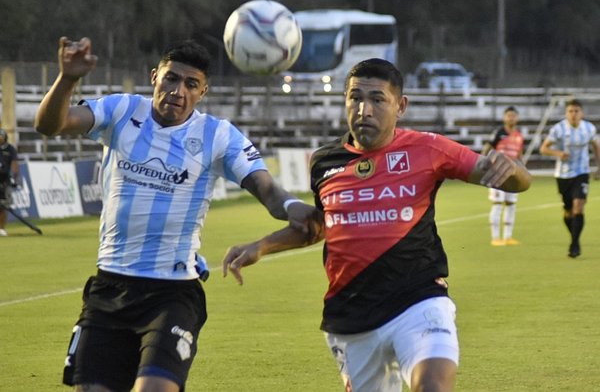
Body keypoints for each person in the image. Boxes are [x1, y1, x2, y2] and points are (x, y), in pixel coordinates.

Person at [222, 59, 531, 392]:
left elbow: (516, 181)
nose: (363, 109)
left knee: (433, 386)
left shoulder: (429, 148)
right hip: (351, 313)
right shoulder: (325, 162)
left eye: (377, 99)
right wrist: (261, 247)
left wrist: (511, 170)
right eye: (355, 98)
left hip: (418, 301)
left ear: (401, 106)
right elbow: (323, 225)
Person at [34, 37, 316, 392]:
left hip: (173, 293)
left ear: (203, 91)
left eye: (191, 84)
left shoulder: (217, 135)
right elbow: (49, 125)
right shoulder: (121, 111)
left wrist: (292, 207)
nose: (178, 91)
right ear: (155, 77)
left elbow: (267, 189)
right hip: (110, 286)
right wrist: (67, 78)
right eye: (171, 78)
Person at [540, 98, 600, 258]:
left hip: (581, 173)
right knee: (568, 211)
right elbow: (544, 148)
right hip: (563, 175)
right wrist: (558, 153)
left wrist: (599, 166)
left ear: (582, 113)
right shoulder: (558, 129)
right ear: (566, 113)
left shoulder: (589, 128)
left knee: (578, 206)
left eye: (576, 111)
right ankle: (574, 239)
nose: (573, 114)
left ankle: (574, 244)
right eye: (570, 111)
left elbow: (596, 146)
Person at [481, 106, 525, 246]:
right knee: (498, 203)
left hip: (513, 174)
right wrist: (483, 162)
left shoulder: (519, 135)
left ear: (517, 118)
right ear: (504, 118)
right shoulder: (499, 133)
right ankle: (495, 237)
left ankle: (508, 236)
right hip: (498, 172)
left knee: (511, 204)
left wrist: (522, 169)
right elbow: (487, 148)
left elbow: (519, 154)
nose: (511, 118)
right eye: (508, 115)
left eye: (513, 116)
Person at [0, 128, 20, 236]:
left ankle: (1, 228)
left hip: (5, 179)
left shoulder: (10, 149)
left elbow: (15, 165)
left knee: (4, 205)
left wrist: (14, 178)